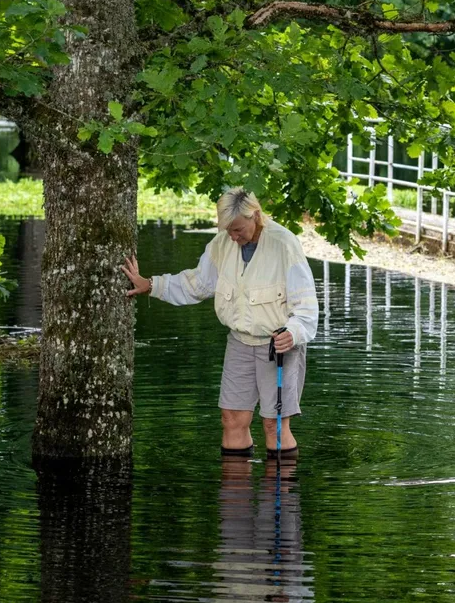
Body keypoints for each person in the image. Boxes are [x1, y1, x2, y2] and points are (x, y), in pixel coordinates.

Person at [122, 188, 319, 459]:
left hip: (278, 346)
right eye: (228, 230)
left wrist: (293, 333)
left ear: (256, 216)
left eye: (238, 230)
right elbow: (197, 283)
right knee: (231, 419)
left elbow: (306, 306)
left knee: (273, 424)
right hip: (239, 342)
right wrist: (152, 285)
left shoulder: (284, 244)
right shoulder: (223, 243)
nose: (233, 237)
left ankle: (281, 500)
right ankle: (235, 497)